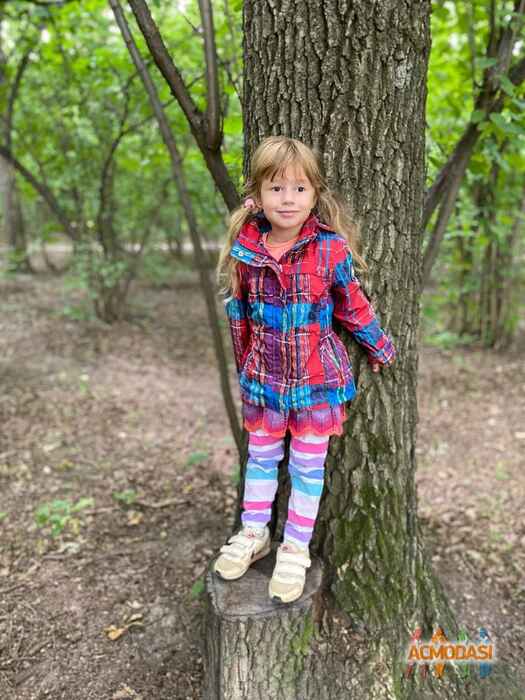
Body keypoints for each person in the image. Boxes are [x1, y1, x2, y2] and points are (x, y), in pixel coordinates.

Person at [213, 135, 396, 604]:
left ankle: (295, 547)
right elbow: (241, 320)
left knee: (308, 467)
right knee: (261, 458)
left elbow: (352, 306)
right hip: (267, 380)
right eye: (276, 189)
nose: (287, 199)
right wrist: (247, 371)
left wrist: (379, 345)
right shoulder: (247, 251)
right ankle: (255, 532)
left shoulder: (329, 250)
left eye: (298, 189)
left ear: (315, 195)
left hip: (316, 379)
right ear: (257, 195)